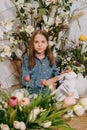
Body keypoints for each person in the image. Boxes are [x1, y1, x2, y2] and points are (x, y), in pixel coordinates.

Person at [21, 29, 59, 95]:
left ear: (47, 43)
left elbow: (56, 74)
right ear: (32, 44)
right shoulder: (27, 60)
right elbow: (24, 81)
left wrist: (62, 75)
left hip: (47, 94)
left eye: (43, 42)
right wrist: (42, 83)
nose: (40, 45)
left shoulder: (51, 59)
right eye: (36, 42)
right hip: (31, 94)